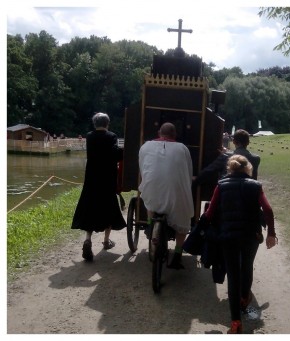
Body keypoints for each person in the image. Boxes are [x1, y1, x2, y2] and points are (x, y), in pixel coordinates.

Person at [201, 154, 277, 334]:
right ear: (247, 168)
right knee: (247, 265)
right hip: (251, 235)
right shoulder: (255, 186)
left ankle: (235, 322)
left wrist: (201, 228)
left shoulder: (221, 186)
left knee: (233, 275)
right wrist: (271, 234)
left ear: (230, 168)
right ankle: (245, 297)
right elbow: (267, 209)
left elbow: (210, 212)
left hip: (228, 236)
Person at [139, 122, 194, 269]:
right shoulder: (183, 149)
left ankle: (151, 226)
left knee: (150, 197)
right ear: (174, 135)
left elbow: (142, 169)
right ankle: (177, 254)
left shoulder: (145, 146)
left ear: (159, 133)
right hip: (175, 194)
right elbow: (188, 172)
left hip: (152, 188)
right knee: (183, 219)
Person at [71, 113, 126, 261]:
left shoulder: (89, 136)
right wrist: (125, 151)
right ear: (107, 123)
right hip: (107, 179)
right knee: (108, 207)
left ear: (94, 123)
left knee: (90, 208)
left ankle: (88, 239)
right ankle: (106, 242)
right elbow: (116, 155)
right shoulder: (111, 136)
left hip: (91, 179)